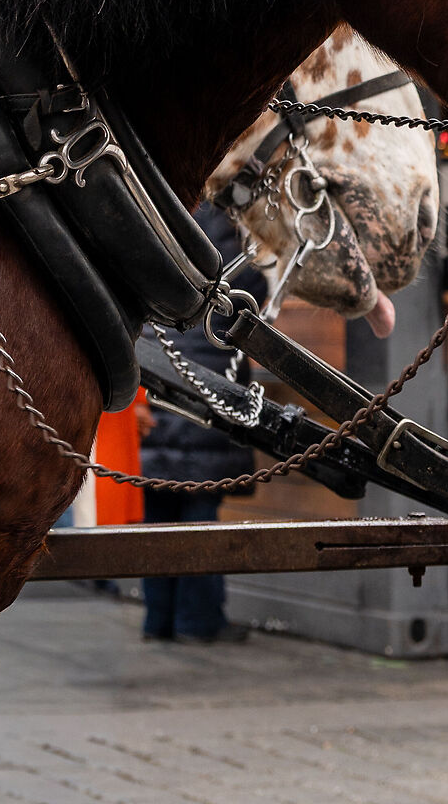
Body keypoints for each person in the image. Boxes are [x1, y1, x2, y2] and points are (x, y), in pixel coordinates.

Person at [136, 202, 264, 646]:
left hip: (156, 378)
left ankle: (158, 620)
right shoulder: (229, 225)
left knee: (159, 515)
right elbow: (253, 291)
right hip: (207, 387)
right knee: (200, 513)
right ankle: (198, 620)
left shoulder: (157, 211)